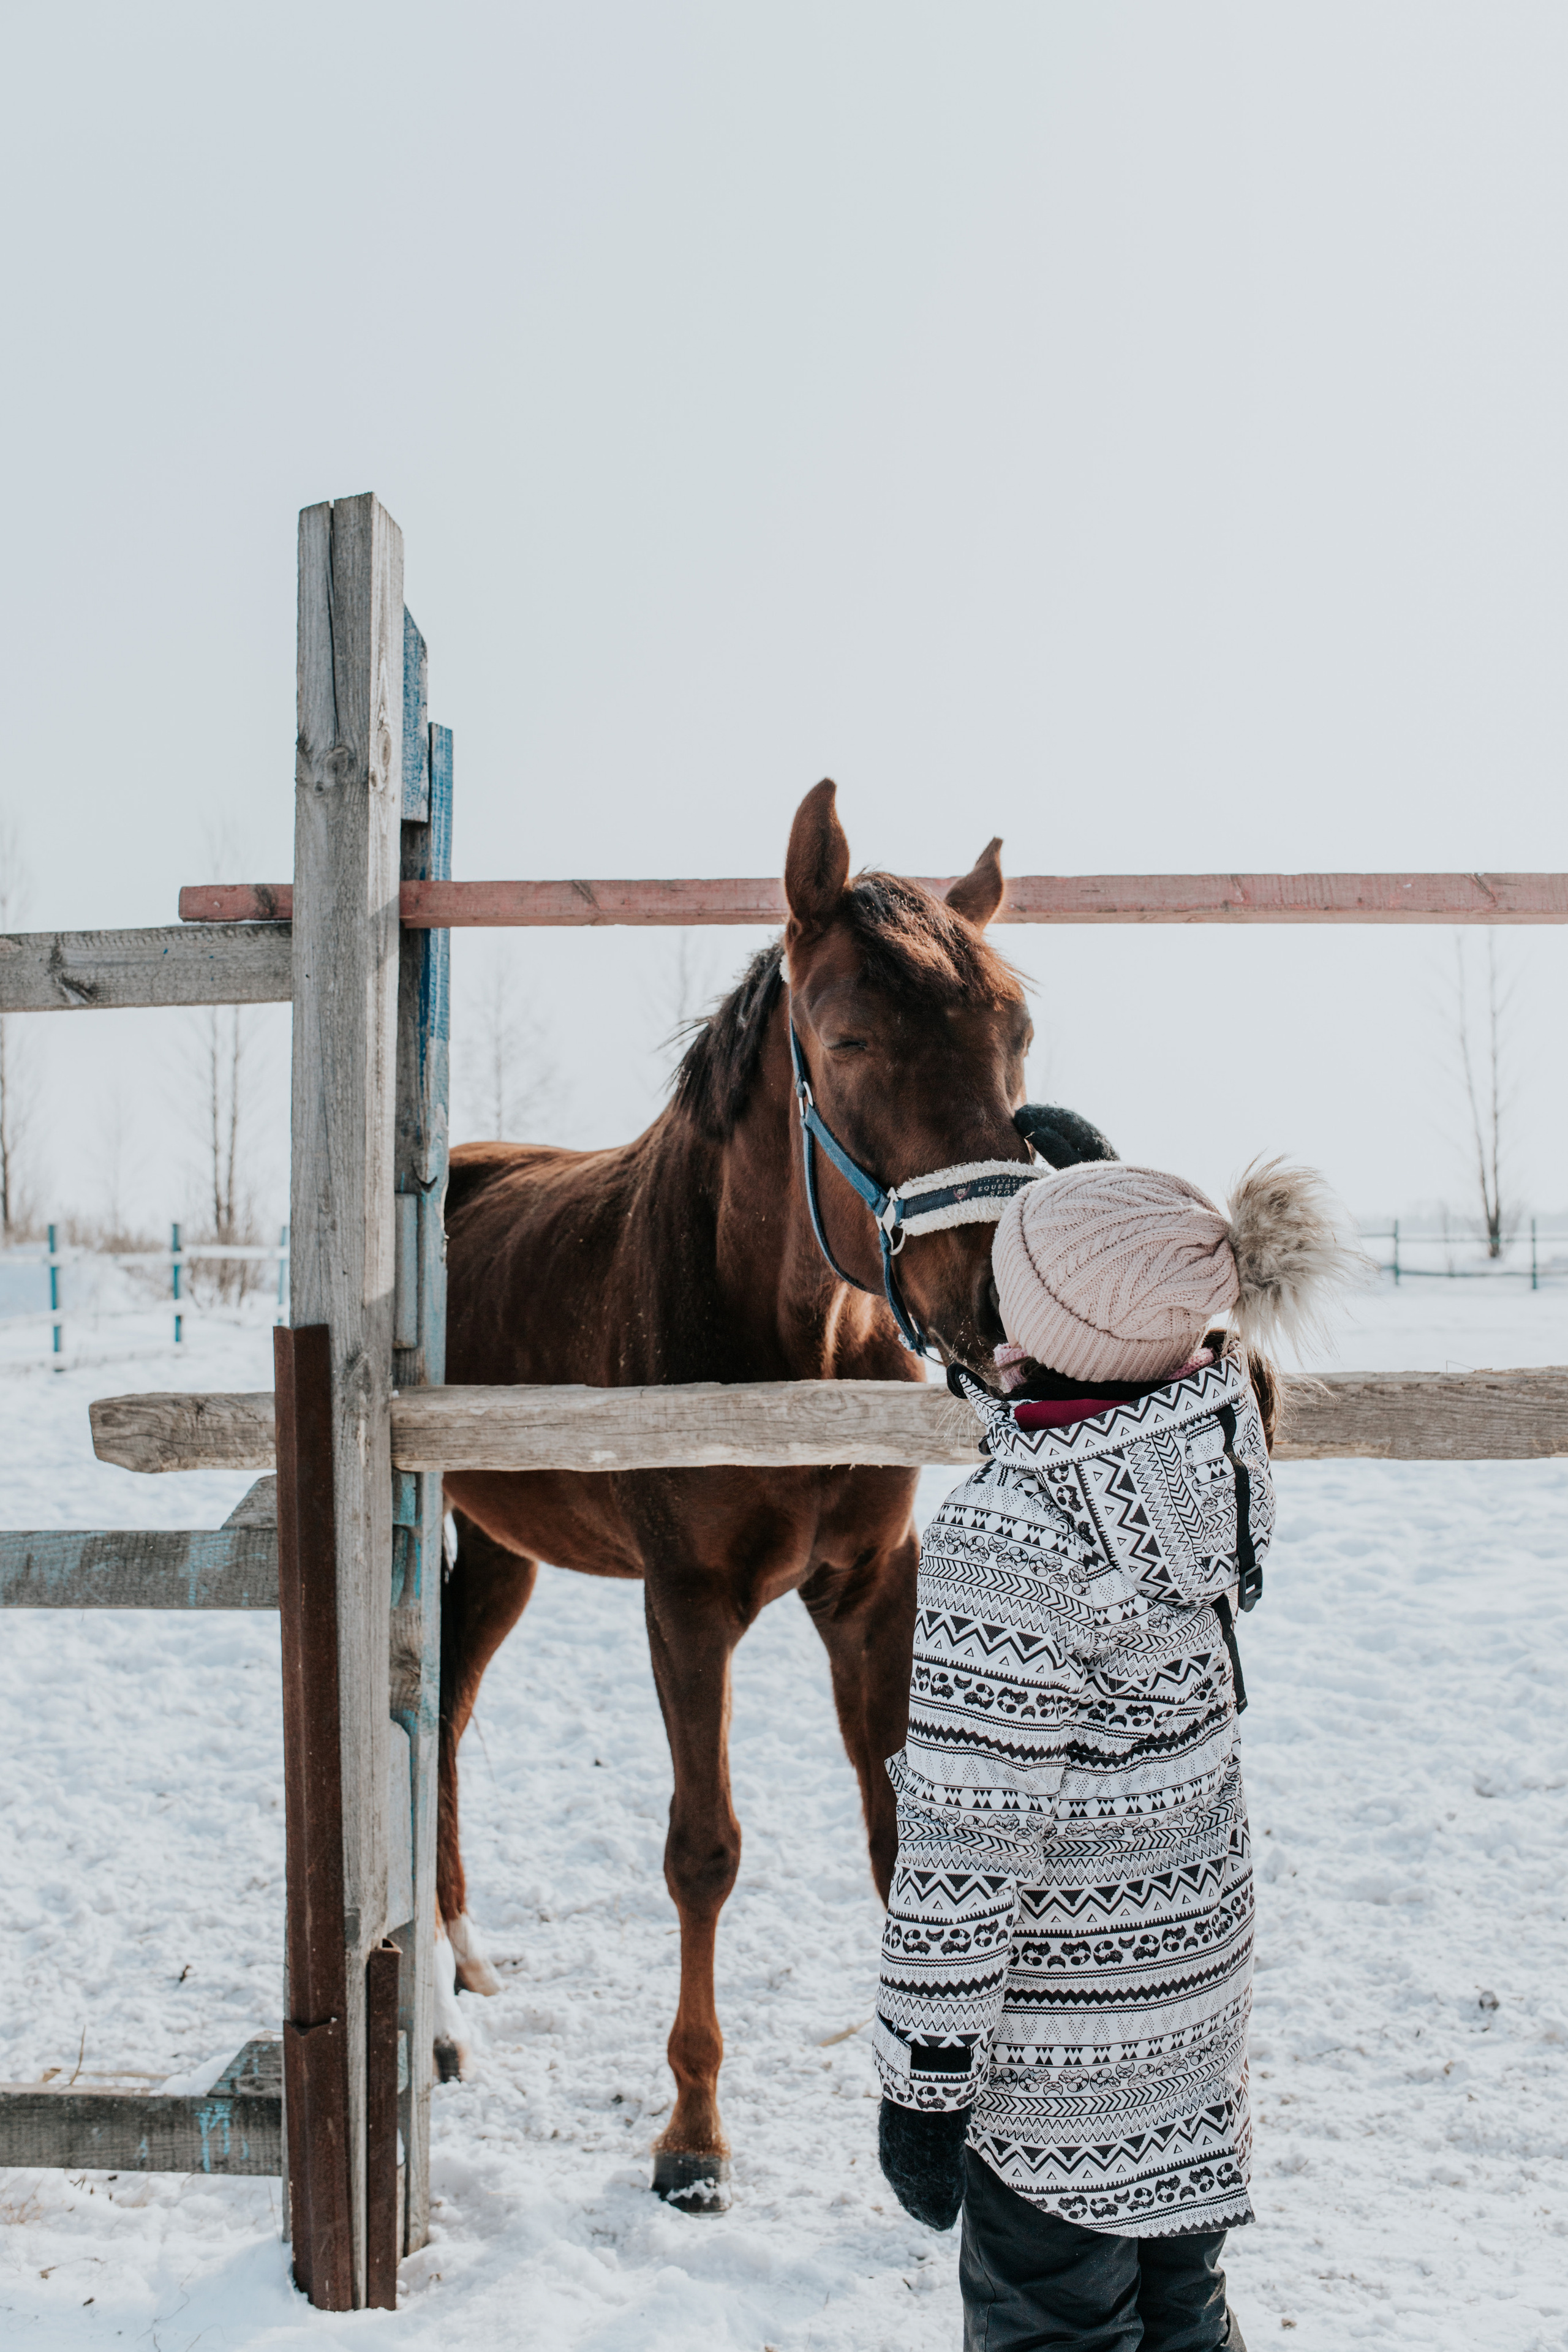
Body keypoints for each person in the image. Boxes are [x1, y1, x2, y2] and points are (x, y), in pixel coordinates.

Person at [873, 1158, 1364, 2352]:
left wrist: (924, 2081)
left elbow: (963, 1838)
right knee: (1182, 2312)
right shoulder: (1206, 1445)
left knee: (1053, 2330)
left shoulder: (1007, 1533)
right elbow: (1129, 1340)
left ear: (1041, 1334)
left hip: (1060, 2070)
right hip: (1186, 2024)